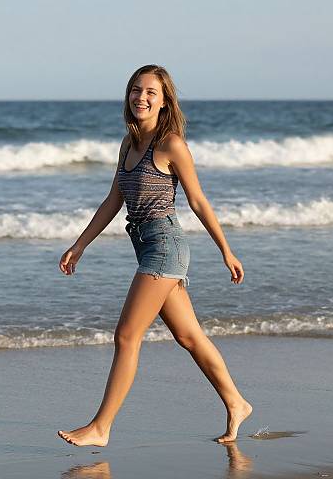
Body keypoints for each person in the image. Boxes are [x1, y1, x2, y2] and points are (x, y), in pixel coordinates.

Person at [57, 64, 252, 447]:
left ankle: (101, 427)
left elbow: (197, 200)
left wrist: (226, 251)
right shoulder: (128, 144)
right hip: (145, 244)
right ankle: (237, 402)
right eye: (135, 89)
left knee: (127, 336)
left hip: (165, 246)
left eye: (150, 92)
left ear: (164, 103)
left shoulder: (171, 144)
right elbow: (114, 199)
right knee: (189, 336)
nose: (141, 97)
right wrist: (80, 244)